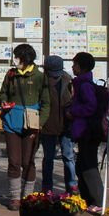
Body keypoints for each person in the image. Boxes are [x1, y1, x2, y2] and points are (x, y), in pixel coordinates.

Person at [0, 43, 49, 210]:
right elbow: (3, 92)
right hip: (11, 122)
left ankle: (28, 197)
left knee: (28, 161)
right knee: (14, 161)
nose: (15, 60)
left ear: (26, 58)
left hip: (31, 124)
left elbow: (46, 103)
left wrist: (40, 123)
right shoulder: (11, 74)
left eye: (17, 57)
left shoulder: (39, 77)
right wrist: (3, 102)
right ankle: (15, 198)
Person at [67, 51, 104, 209]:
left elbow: (90, 106)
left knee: (88, 166)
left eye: (74, 64)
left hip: (88, 132)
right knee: (82, 165)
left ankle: (98, 201)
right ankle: (88, 199)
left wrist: (73, 112)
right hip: (84, 132)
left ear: (81, 67)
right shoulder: (81, 83)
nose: (72, 67)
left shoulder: (85, 85)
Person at [39, 55, 78, 194]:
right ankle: (47, 187)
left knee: (68, 157)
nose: (55, 77)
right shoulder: (41, 82)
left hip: (66, 125)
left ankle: (72, 185)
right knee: (48, 158)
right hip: (47, 125)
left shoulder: (69, 81)